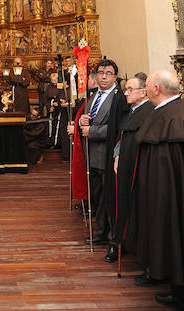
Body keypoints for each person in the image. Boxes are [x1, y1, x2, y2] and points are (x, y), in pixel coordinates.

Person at [128, 70, 184, 311]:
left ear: (156, 89)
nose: (145, 91)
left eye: (147, 87)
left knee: (179, 237)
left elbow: (164, 164)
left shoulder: (171, 115)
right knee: (183, 239)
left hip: (171, 196)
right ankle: (180, 290)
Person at [75, 59, 127, 253]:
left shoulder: (119, 98)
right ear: (96, 76)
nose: (103, 76)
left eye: (108, 73)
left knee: (109, 198)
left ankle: (114, 238)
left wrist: (93, 132)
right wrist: (82, 120)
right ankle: (102, 232)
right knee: (97, 196)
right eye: (100, 73)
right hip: (92, 156)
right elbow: (88, 121)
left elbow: (118, 128)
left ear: (115, 77)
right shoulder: (92, 96)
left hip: (107, 155)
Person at [107, 72, 153, 264]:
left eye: (130, 90)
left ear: (143, 92)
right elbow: (123, 135)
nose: (125, 93)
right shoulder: (132, 110)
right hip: (123, 166)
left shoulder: (149, 112)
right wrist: (117, 153)